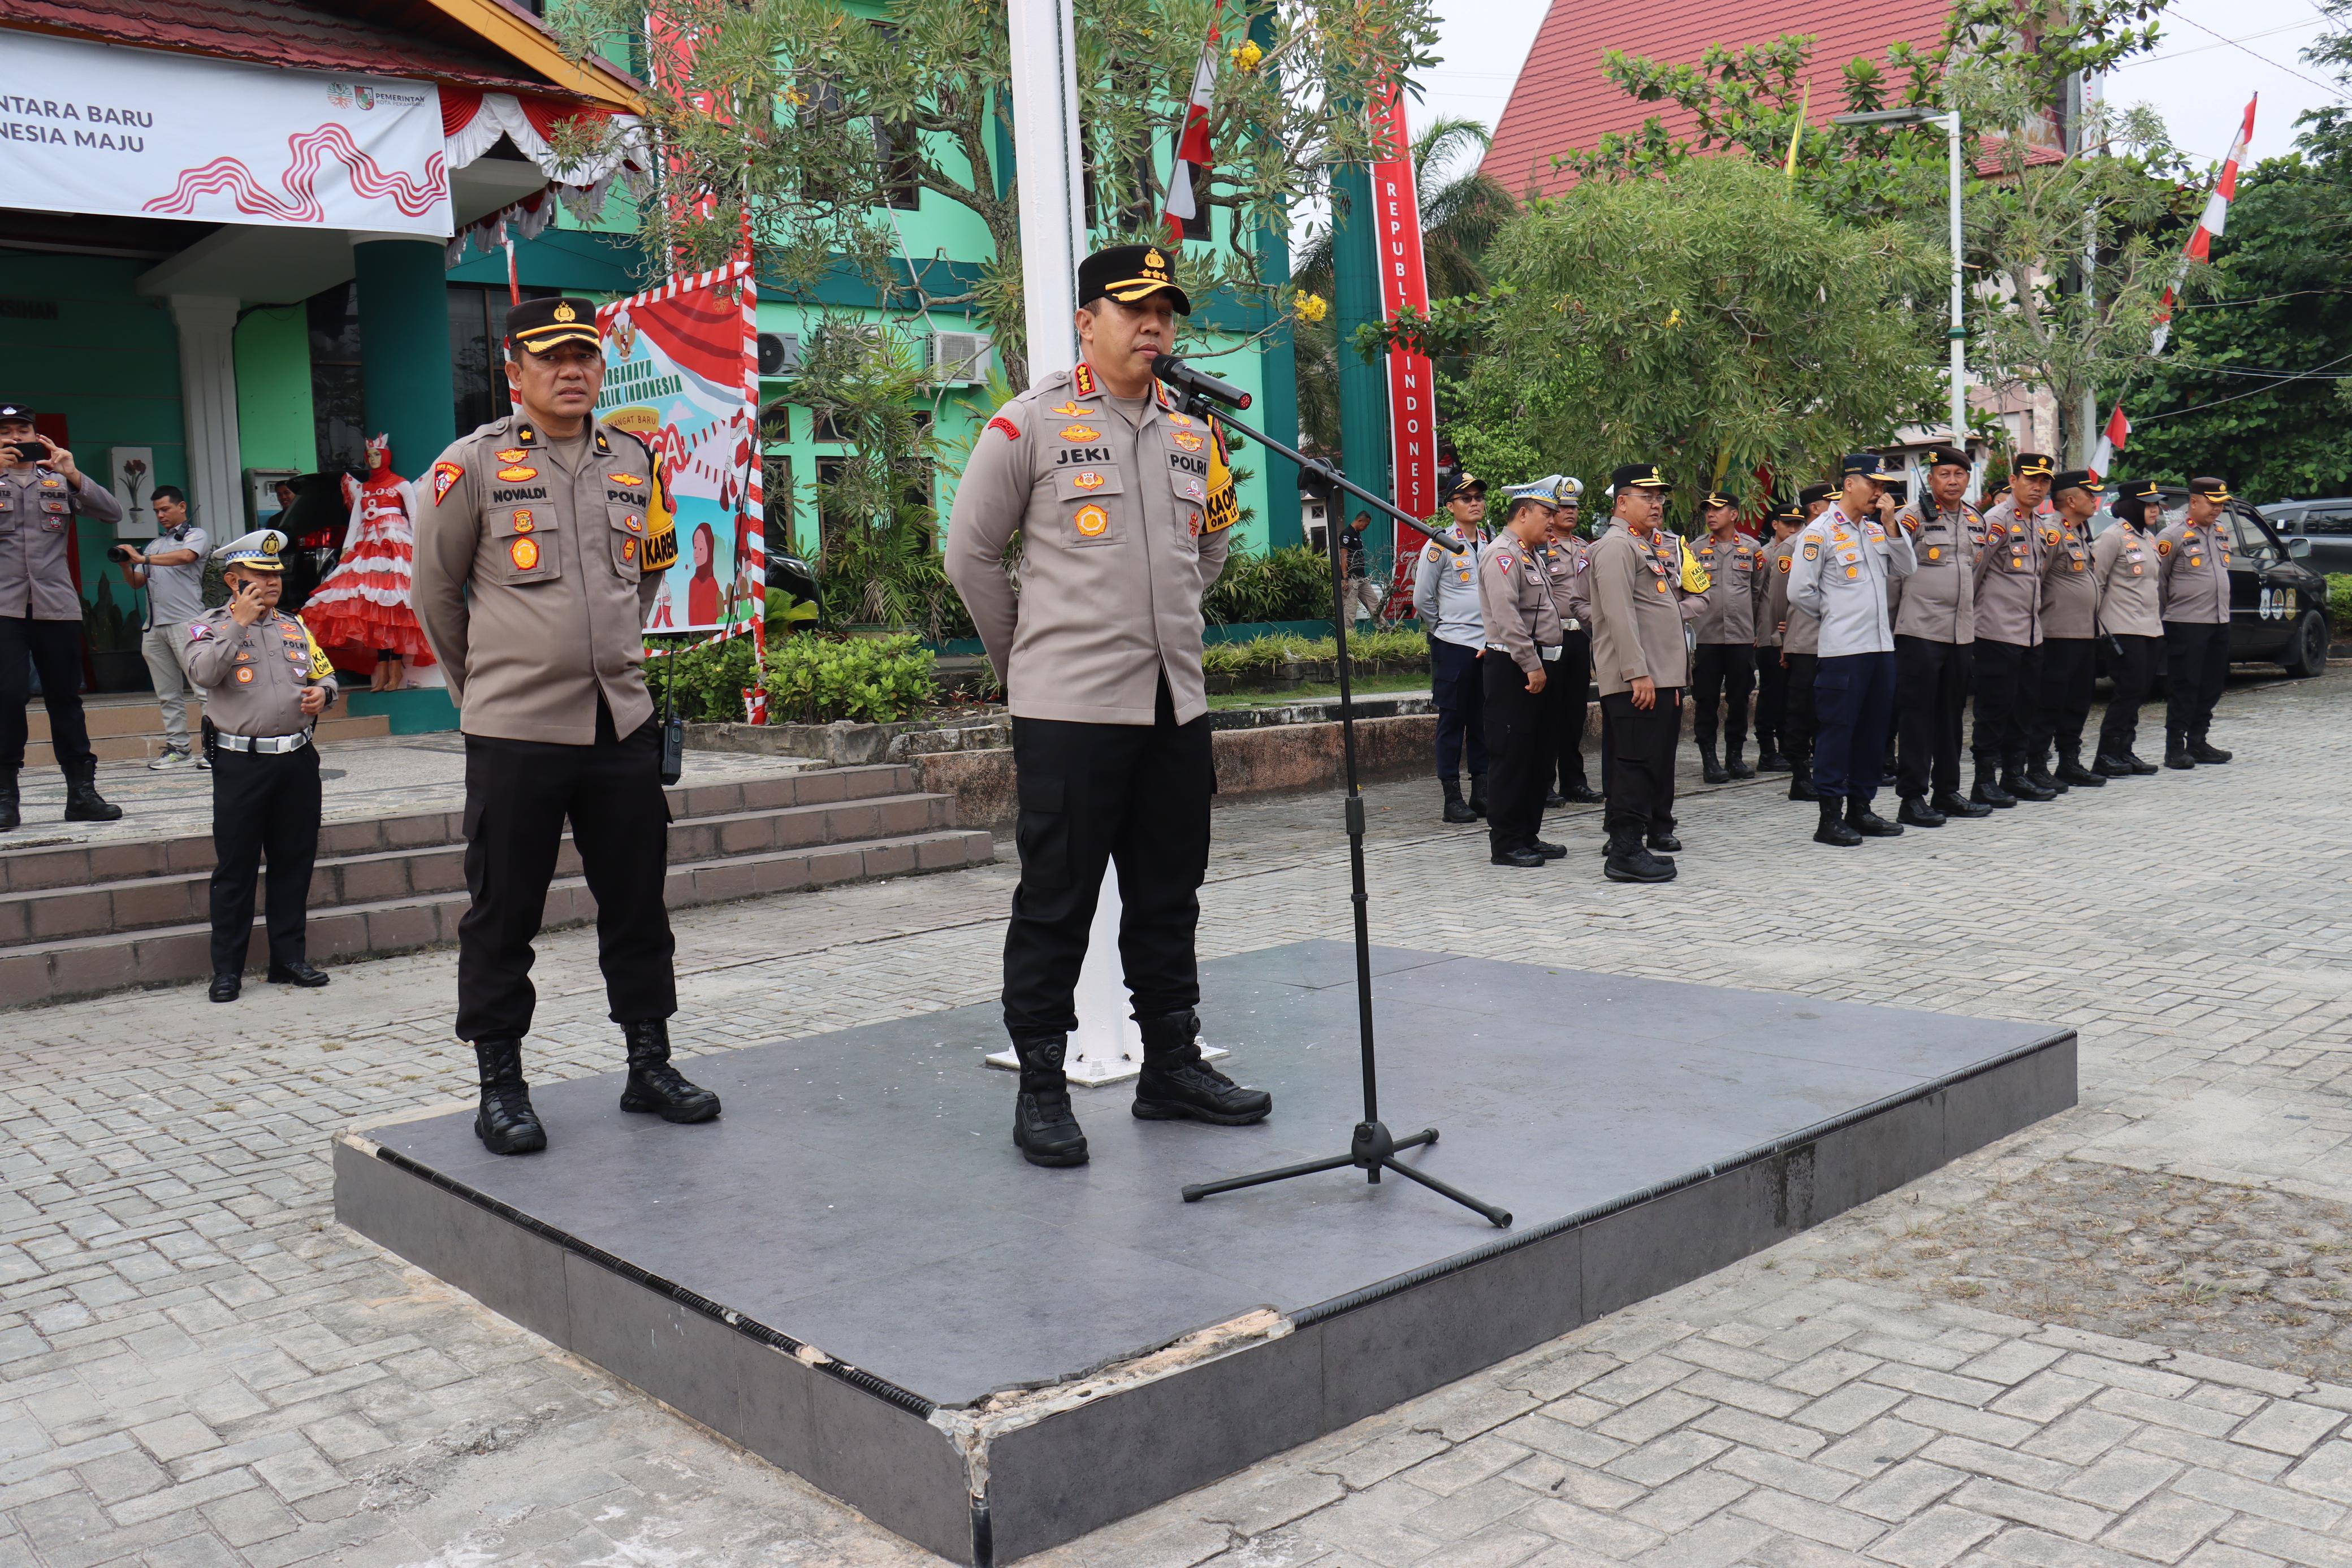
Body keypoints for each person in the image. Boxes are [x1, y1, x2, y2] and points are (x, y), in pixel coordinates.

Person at [944, 244, 1273, 1169]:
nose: (1155, 325)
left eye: (1165, 311)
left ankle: (1171, 1065)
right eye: (1135, 309)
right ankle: (1042, 1087)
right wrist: (1027, 664)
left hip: (1175, 707)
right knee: (1057, 902)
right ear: (1088, 321)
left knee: (1169, 896)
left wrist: (1168, 623)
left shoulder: (1194, 432)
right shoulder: (1029, 424)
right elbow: (970, 555)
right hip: (1071, 715)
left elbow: (1211, 546)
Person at [412, 296, 723, 1158]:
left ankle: (649, 1063)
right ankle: (501, 1086)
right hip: (516, 729)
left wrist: (607, 655)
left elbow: (645, 578)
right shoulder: (470, 465)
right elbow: (434, 594)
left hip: (620, 722)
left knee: (638, 904)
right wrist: (486, 689)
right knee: (503, 911)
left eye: (583, 355)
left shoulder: (634, 459)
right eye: (550, 357)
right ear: (514, 370)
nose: (571, 370)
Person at [183, 531, 336, 1002]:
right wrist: (239, 625)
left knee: (294, 861)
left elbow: (326, 673)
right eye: (260, 575)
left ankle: (288, 960)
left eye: (276, 575)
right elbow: (203, 674)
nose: (273, 582)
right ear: (234, 581)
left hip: (297, 760)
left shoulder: (294, 626)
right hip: (241, 764)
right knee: (237, 868)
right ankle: (228, 970)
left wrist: (323, 693)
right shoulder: (206, 626)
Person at [0, 400, 125, 829]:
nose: (15, 438)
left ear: (36, 436)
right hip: (4, 609)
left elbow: (112, 512)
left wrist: (73, 473)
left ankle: (81, 794)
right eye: (6, 432)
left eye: (22, 431)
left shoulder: (57, 479)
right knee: (6, 697)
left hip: (56, 607)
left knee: (66, 700)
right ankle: (5, 797)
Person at [1788, 453, 1916, 846]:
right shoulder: (1820, 531)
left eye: (1883, 486)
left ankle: (1861, 807)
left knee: (1873, 731)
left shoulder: (1877, 530)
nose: (1879, 492)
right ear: (1849, 484)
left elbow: (1907, 567)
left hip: (1880, 647)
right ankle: (1830, 817)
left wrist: (1892, 524)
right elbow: (1799, 591)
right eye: (1872, 484)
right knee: (1837, 732)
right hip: (1843, 650)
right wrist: (1834, 615)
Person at [1586, 464, 1685, 883]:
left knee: (1647, 764)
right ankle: (1625, 852)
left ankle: (1633, 845)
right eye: (1648, 497)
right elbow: (1619, 614)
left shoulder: (1638, 544)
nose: (1657, 504)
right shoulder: (1615, 546)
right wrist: (1637, 673)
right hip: (1636, 681)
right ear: (1622, 502)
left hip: (1656, 678)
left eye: (1660, 497)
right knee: (1633, 764)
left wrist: (1669, 679)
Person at [1885, 447, 1991, 826]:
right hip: (1919, 631)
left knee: (1951, 717)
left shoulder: (1976, 520)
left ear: (1968, 478)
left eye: (1959, 475)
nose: (1952, 481)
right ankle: (1912, 797)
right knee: (1917, 716)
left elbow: (1975, 572)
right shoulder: (1910, 518)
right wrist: (1892, 629)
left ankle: (1947, 791)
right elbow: (1893, 576)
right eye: (1944, 474)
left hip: (1960, 633)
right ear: (1930, 479)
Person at [302, 432, 437, 691]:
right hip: (368, 549)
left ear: (386, 456)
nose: (373, 459)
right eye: (370, 455)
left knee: (396, 608)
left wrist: (419, 547)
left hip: (395, 547)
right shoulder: (365, 488)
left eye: (377, 454)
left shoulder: (401, 484)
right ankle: (383, 670)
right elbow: (356, 521)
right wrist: (347, 549)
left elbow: (415, 516)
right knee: (374, 611)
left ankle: (395, 671)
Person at [1478, 481, 1566, 868]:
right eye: (1547, 514)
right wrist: (1531, 664)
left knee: (1538, 758)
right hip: (1515, 668)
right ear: (1524, 513)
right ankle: (1506, 843)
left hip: (1540, 665)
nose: (1552, 522)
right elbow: (1507, 616)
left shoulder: (1528, 555)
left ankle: (1528, 834)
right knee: (1512, 756)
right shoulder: (1502, 554)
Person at [1968, 453, 2059, 805]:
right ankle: (1983, 781)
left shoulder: (2040, 524)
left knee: (2024, 707)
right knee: (1994, 708)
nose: (2038, 487)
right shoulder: (1996, 520)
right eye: (2031, 479)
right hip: (1996, 631)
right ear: (2013, 480)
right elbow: (1975, 574)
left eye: (2044, 481)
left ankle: (2014, 775)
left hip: (2030, 633)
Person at [1413, 472, 1490, 824]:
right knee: (1452, 722)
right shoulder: (1439, 544)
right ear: (1450, 506)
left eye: (1478, 497)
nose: (1475, 503)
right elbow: (1422, 598)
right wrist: (1443, 629)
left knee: (1482, 721)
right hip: (1455, 645)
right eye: (1466, 498)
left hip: (1487, 646)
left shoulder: (1490, 542)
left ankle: (1482, 793)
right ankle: (1452, 798)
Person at [115, 484, 209, 770]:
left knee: (204, 691)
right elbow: (137, 582)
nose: (160, 515)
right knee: (167, 694)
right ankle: (179, 749)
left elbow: (186, 557)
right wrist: (125, 564)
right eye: (157, 511)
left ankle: (217, 749)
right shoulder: (155, 545)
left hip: (187, 623)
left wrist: (142, 558)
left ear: (182, 507)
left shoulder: (196, 535)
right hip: (155, 627)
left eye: (165, 509)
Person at [2026, 471, 2107, 792]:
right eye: (2089, 495)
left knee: (2078, 702)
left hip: (2085, 633)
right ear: (2071, 501)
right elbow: (2037, 580)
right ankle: (2036, 766)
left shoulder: (2080, 532)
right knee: (2050, 702)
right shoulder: (2052, 532)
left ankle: (2069, 762)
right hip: (2057, 634)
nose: (2095, 500)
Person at [2156, 476, 2236, 769]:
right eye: (2212, 503)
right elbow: (2159, 582)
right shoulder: (2172, 535)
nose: (2217, 509)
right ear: (2193, 502)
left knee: (2212, 683)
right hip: (2186, 622)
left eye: (2221, 504)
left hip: (2218, 620)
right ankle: (2175, 747)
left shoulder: (2220, 531)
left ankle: (2199, 741)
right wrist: (2166, 617)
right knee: (2185, 684)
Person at [2092, 478, 2166, 777]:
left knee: (2140, 692)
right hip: (2122, 627)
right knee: (2127, 691)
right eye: (2148, 504)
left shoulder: (2148, 538)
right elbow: (2096, 582)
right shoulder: (2112, 537)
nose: (2155, 510)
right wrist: (2098, 629)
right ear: (2132, 506)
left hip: (2150, 628)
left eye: (2156, 504)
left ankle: (2125, 750)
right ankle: (2106, 754)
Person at [1536, 476, 1602, 807]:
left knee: (1575, 713)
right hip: (1552, 636)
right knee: (1549, 713)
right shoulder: (1540, 548)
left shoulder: (1586, 548)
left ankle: (1574, 782)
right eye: (1563, 507)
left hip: (1580, 637)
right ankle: (1544, 784)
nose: (1570, 512)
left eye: (1574, 507)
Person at [1765, 484, 1832, 801]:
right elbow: (1779, 596)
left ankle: (1825, 769)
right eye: (1830, 502)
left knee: (1827, 710)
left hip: (1834, 640)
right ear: (1815, 508)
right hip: (1803, 640)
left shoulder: (1836, 537)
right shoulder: (1792, 545)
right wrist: (1783, 635)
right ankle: (1801, 776)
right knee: (1800, 710)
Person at [1689, 488, 1761, 783]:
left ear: (1733, 514)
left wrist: (1755, 630)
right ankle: (1709, 759)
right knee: (1705, 699)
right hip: (1706, 638)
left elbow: (1758, 592)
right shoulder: (1695, 549)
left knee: (1740, 699)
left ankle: (1735, 757)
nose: (1711, 515)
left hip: (1740, 638)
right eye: (1708, 510)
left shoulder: (1752, 548)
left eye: (1717, 510)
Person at [1750, 504, 1801, 771]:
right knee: (1771, 694)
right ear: (1775, 525)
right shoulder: (1766, 554)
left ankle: (1788, 748)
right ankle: (1767, 751)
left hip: (1792, 634)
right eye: (1787, 524)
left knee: (1790, 695)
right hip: (1769, 634)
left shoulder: (1800, 550)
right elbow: (1755, 595)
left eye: (1797, 524)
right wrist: (1755, 630)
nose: (1793, 529)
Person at [1341, 511, 1384, 626]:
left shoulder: (1357, 534)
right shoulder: (1346, 534)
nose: (1366, 528)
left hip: (1362, 577)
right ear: (1360, 521)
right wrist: (1345, 578)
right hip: (1351, 578)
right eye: (1366, 525)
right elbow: (1343, 557)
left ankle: (1385, 630)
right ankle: (1349, 635)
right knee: (1350, 609)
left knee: (1374, 603)